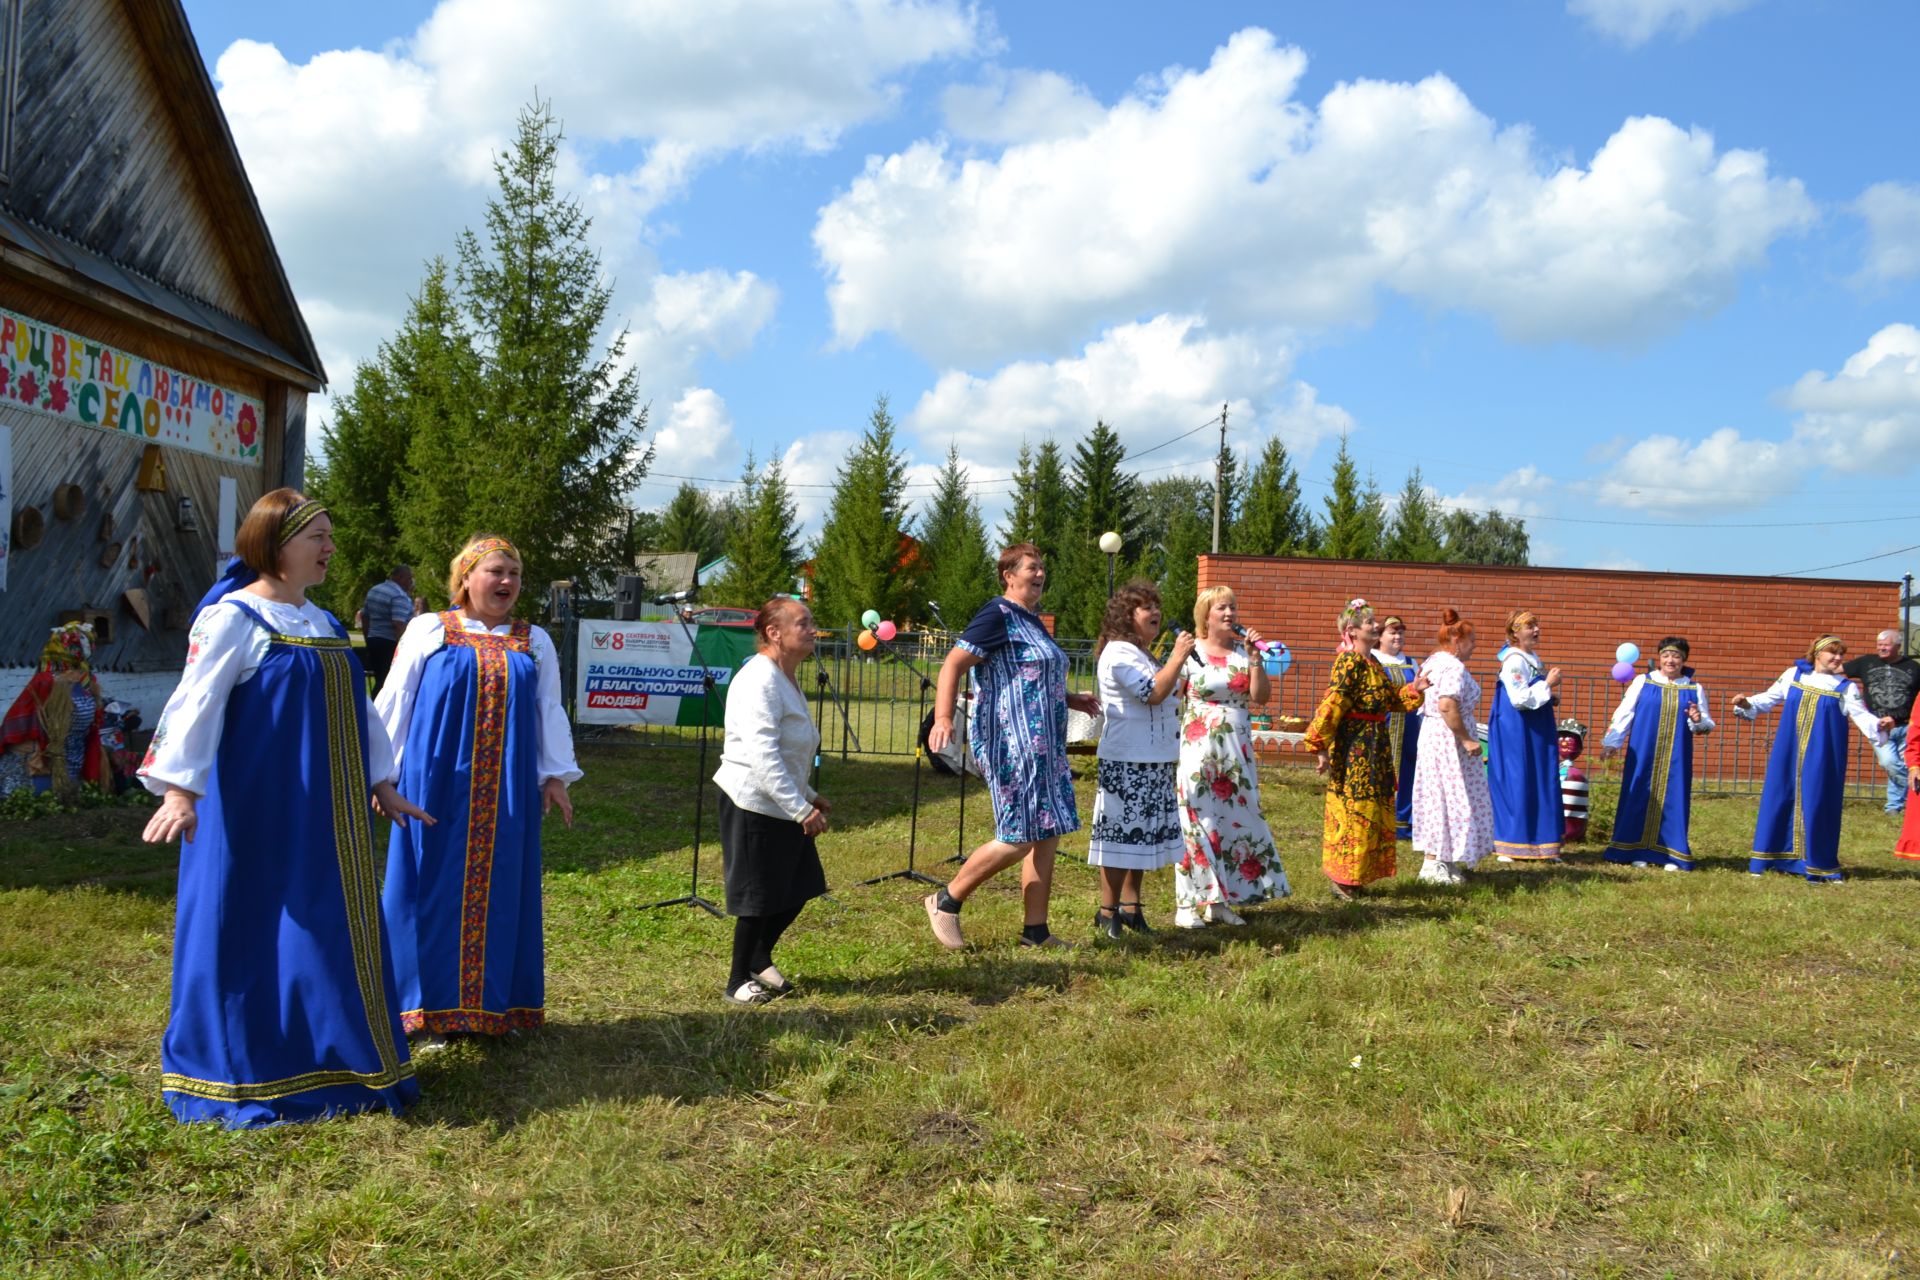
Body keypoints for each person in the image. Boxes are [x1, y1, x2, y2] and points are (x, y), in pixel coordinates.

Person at [138, 488, 431, 1126]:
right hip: (255, 808)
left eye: (328, 535)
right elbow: (195, 704)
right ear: (274, 545)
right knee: (249, 922)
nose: (329, 548)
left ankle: (333, 1056)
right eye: (316, 537)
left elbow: (357, 710)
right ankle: (244, 1068)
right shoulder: (235, 619)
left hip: (327, 811)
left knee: (327, 926)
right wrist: (182, 790)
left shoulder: (325, 623)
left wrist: (381, 781)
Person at [375, 535, 578, 1040]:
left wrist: (555, 776)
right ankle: (419, 1011)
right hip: (433, 785)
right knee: (427, 890)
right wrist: (382, 777)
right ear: (465, 578)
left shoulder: (534, 641)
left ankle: (495, 1008)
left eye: (514, 572)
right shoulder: (430, 629)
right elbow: (395, 701)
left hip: (507, 791)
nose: (506, 581)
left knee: (503, 890)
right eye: (495, 571)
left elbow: (547, 710)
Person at [925, 544, 1099, 950]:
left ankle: (1035, 933)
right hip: (1011, 744)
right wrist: (944, 717)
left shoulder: (1032, 621)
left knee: (1047, 833)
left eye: (1043, 568)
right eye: (1032, 568)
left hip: (1046, 746)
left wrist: (1070, 697)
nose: (1040, 574)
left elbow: (1027, 675)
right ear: (1009, 575)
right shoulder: (997, 614)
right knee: (1020, 834)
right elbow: (952, 664)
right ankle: (946, 900)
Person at [712, 598, 832, 1003]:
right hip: (753, 803)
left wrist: (810, 795)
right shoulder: (759, 679)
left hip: (781, 798)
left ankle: (760, 958)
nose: (813, 629)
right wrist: (801, 808)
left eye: (811, 621)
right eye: (804, 622)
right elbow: (763, 756)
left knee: (799, 886)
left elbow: (790, 750)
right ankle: (736, 981)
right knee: (757, 896)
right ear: (774, 633)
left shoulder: (786, 676)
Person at [1172, 585, 1290, 926]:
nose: (1229, 614)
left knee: (1232, 822)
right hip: (1199, 748)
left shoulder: (1242, 653)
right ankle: (1186, 904)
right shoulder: (1191, 652)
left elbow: (1261, 697)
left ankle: (1220, 902)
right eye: (1222, 608)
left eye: (1232, 609)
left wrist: (1255, 659)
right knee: (1196, 821)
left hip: (1236, 751)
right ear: (1205, 616)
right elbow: (1170, 696)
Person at [1733, 635, 1890, 882]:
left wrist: (1880, 725)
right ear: (1817, 654)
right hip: (1789, 749)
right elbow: (1768, 698)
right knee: (1780, 795)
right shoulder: (1794, 675)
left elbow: (1863, 717)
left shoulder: (1845, 687)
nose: (1838, 658)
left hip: (1824, 755)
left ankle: (1817, 863)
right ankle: (1771, 858)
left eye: (1841, 654)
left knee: (1818, 802)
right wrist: (1746, 702)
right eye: (1832, 653)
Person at [1088, 581, 1194, 938]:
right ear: (1126, 616)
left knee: (1143, 836)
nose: (1156, 613)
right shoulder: (1118, 652)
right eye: (1146, 607)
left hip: (1154, 758)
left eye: (1156, 606)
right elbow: (1151, 693)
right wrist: (1178, 657)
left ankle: (1132, 908)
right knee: (1120, 837)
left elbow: (1166, 691)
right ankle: (1107, 912)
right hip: (1127, 759)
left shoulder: (1144, 653)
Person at [1305, 600, 1429, 899]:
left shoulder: (1372, 663)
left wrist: (1416, 688)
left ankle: (1356, 877)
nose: (1377, 626)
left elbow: (1389, 701)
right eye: (1371, 623)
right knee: (1354, 811)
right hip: (1355, 749)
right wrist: (1319, 744)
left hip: (1374, 747)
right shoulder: (1349, 662)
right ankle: (1343, 879)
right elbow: (1333, 704)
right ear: (1352, 631)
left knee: (1369, 811)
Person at [1600, 637, 1714, 871]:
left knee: (1673, 798)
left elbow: (1705, 724)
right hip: (1643, 751)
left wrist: (1697, 719)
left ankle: (1668, 854)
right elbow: (1625, 712)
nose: (1670, 660)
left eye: (1676, 656)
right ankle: (1634, 849)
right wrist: (1612, 742)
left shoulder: (1694, 688)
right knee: (1638, 794)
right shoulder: (1644, 681)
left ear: (1684, 660)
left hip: (1676, 757)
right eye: (1666, 656)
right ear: (1659, 658)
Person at [1409, 608, 1493, 883]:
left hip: (1434, 736)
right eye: (1472, 640)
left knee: (1439, 795)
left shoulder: (1435, 660)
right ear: (1458, 640)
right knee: (1447, 795)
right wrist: (1466, 738)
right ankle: (1432, 863)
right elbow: (1447, 704)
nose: (1475, 645)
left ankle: (1443, 858)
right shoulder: (1454, 666)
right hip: (1447, 740)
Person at [1, 622, 108, 797]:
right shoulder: (46, 681)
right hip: (47, 749)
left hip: (75, 748)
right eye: (82, 643)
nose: (88, 648)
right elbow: (25, 716)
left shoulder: (87, 681)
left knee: (70, 785)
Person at [1489, 609, 1563, 862]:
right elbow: (1519, 699)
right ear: (1515, 633)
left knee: (1540, 778)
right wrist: (1548, 684)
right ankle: (1510, 842)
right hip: (1517, 730)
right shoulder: (1514, 660)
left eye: (1537, 625)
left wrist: (1548, 697)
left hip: (1534, 728)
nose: (1536, 630)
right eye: (1530, 626)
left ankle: (1542, 842)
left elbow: (1529, 692)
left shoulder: (1531, 657)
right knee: (1517, 779)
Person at [1844, 630, 1920, 814]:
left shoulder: (1914, 667)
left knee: (1907, 765)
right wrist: (1809, 666)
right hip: (1879, 727)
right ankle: (1912, 796)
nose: (1881, 648)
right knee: (1889, 762)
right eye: (1879, 645)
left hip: (1906, 725)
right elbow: (1836, 670)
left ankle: (1894, 807)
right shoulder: (1866, 663)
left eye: (1886, 645)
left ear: (1898, 646)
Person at [1372, 615, 1422, 840]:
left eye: (1400, 632)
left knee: (1409, 772)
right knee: (1383, 770)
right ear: (1380, 636)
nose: (1397, 636)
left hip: (1410, 728)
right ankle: (1383, 821)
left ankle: (1404, 822)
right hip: (1384, 727)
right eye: (1392, 632)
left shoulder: (1411, 662)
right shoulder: (1373, 660)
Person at [360, 564, 416, 696]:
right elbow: (398, 624)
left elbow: (365, 617)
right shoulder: (399, 596)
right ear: (399, 577)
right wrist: (404, 648)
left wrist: (368, 638)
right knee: (387, 682)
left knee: (379, 678)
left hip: (374, 640)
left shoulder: (374, 590)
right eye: (409, 579)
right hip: (390, 643)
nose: (411, 582)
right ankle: (377, 710)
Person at [1557, 720, 1590, 845]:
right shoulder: (1558, 770)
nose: (1565, 741)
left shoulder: (1575, 775)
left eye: (1571, 737)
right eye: (1561, 737)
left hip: (1571, 828)